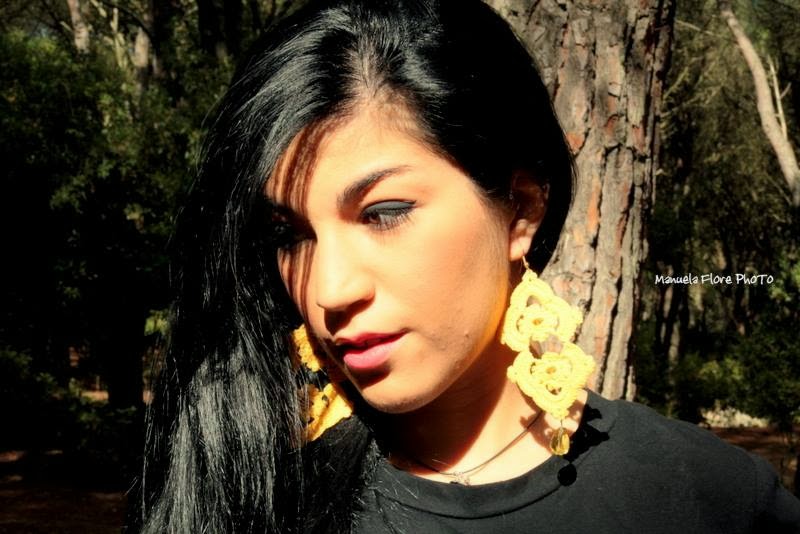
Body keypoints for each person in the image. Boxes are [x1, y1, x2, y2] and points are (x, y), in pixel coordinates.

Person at [135, 0, 800, 532]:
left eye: (384, 212)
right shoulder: (243, 486)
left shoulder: (708, 500)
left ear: (521, 210)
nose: (330, 290)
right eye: (289, 234)